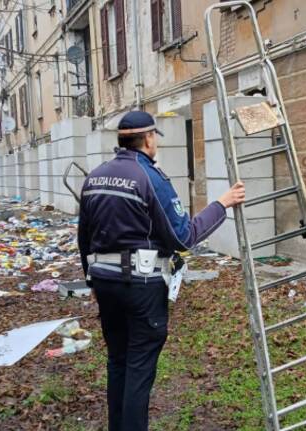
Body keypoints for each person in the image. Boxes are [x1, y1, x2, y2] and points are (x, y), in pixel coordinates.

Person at [77, 111, 245, 431]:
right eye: (155, 138)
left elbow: (84, 236)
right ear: (149, 139)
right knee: (139, 367)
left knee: (118, 362)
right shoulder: (150, 179)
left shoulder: (94, 177)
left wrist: (91, 278)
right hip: (141, 286)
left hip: (105, 282)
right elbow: (183, 236)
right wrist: (221, 204)